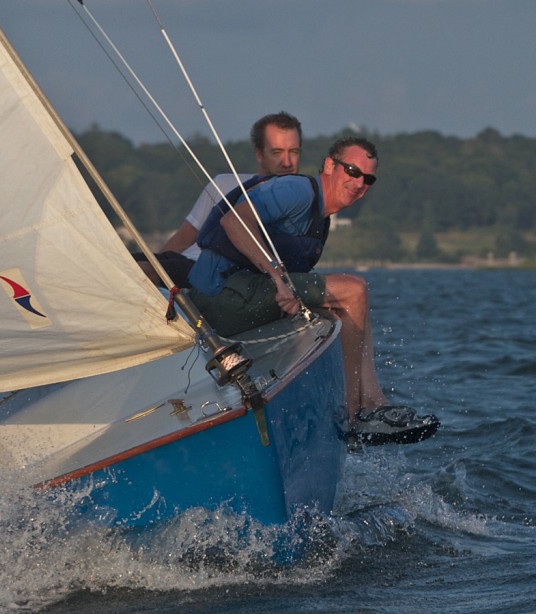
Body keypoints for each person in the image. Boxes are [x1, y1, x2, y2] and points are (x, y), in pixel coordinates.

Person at [187, 136, 439, 445]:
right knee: (354, 290)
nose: (359, 183)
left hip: (243, 293)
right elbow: (234, 221)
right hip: (221, 294)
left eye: (368, 179)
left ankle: (373, 402)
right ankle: (355, 415)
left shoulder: (321, 220)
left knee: (345, 307)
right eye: (352, 171)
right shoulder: (297, 191)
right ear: (331, 166)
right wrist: (277, 278)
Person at [136, 111, 303, 287]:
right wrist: (157, 275)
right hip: (179, 263)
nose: (287, 162)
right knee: (121, 262)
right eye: (277, 152)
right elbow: (182, 240)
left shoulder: (303, 203)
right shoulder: (223, 183)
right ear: (259, 155)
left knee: (139, 271)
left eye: (293, 152)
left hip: (212, 276)